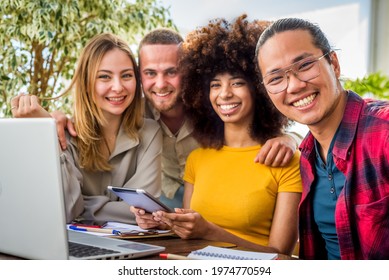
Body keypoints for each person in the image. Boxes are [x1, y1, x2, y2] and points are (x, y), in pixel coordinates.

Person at [52, 28, 302, 210]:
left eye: (172, 72)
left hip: (218, 212)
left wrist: (289, 138)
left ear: (188, 71)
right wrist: (53, 120)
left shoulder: (216, 105)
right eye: (150, 73)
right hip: (156, 217)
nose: (160, 84)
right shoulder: (130, 113)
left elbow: (269, 125)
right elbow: (89, 116)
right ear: (140, 75)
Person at [132, 15, 302, 256]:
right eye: (214, 85)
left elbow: (280, 254)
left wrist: (210, 232)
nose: (224, 94)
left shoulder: (286, 160)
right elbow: (190, 231)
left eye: (237, 83)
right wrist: (164, 222)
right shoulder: (198, 159)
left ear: (259, 88)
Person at [255, 18, 389, 259]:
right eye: (276, 79)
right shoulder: (306, 154)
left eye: (305, 65)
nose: (294, 86)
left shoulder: (384, 131)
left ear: (334, 64)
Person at [11, 33, 162, 224]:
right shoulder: (63, 134)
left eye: (126, 75)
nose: (118, 87)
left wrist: (85, 207)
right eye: (104, 77)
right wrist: (46, 136)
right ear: (86, 83)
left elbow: (143, 211)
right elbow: (67, 212)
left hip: (131, 246)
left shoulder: (149, 132)